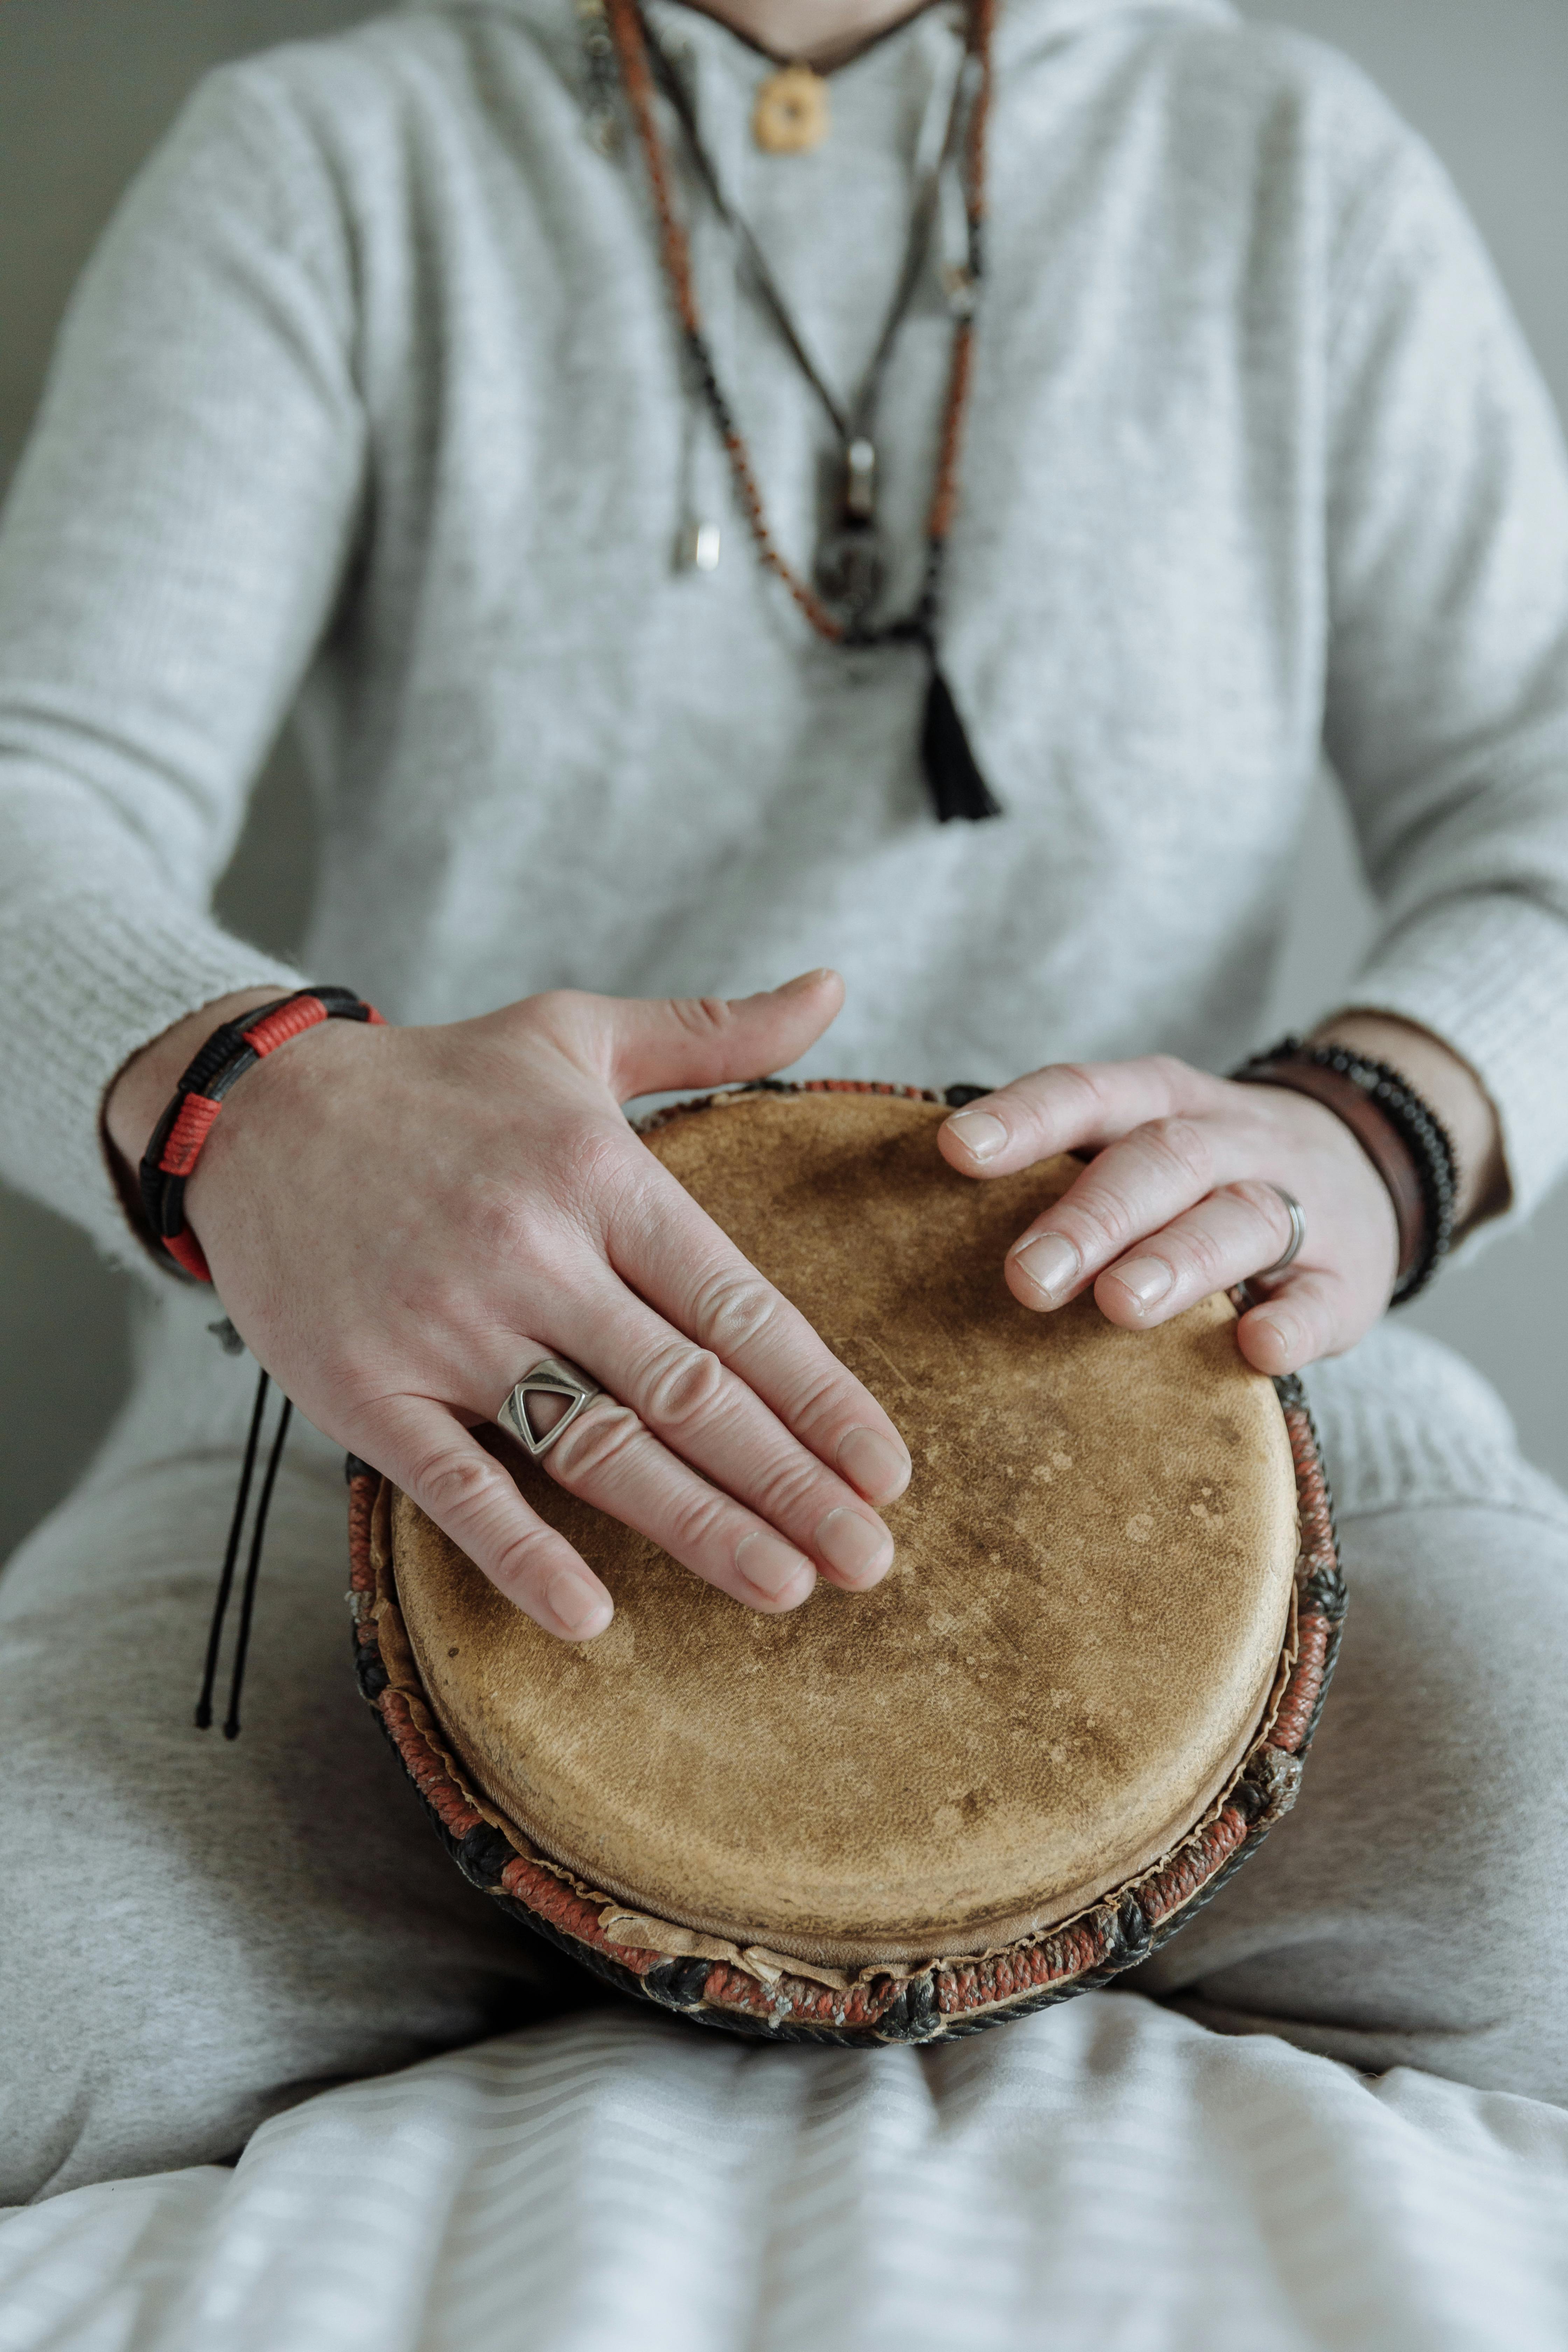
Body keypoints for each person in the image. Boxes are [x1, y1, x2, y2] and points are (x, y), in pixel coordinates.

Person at [1, 0, 1566, 2204]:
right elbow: (36, 785)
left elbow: (1542, 793)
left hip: (1196, 1380)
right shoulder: (331, 158)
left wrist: (1372, 1128)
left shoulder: (1289, 159)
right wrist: (252, 1108)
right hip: (396, 1382)